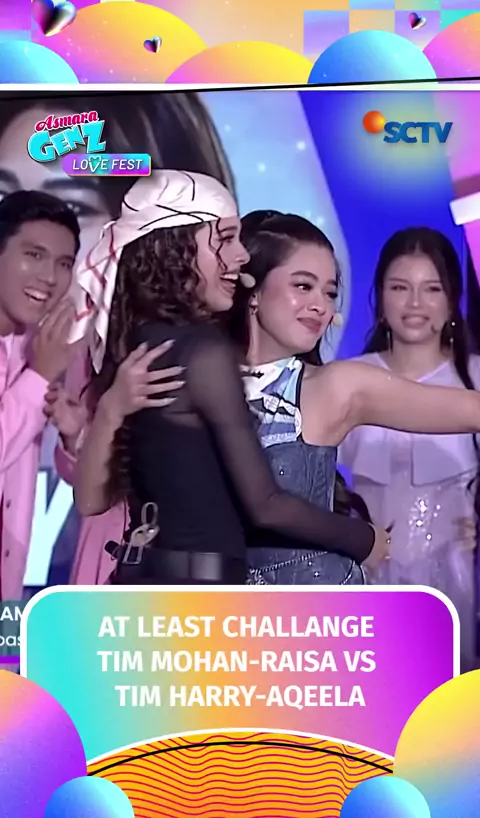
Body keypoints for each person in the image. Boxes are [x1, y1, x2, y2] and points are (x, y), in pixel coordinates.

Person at [70, 171, 387, 585]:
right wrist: (364, 539)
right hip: (200, 596)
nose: (240, 257)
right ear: (177, 245)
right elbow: (265, 505)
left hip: (145, 587)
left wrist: (110, 408)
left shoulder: (137, 345)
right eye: (225, 239)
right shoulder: (204, 353)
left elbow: (90, 500)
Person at [0, 90, 235, 586]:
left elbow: (98, 483)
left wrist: (76, 436)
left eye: (74, 207)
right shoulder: (48, 350)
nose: (48, 272)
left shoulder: (189, 348)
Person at [224, 211, 480, 589]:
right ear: (253, 289)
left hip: (320, 612)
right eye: (303, 286)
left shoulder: (336, 385)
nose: (321, 305)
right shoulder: (199, 374)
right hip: (212, 612)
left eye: (329, 293)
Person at [338, 227, 479, 671]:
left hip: (456, 575)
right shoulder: (347, 379)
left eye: (431, 289)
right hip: (366, 574)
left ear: (452, 298)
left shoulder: (475, 378)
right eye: (400, 288)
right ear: (380, 297)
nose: (415, 303)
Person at [0, 190, 81, 601]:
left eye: (64, 263)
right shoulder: (43, 361)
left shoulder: (39, 347)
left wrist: (73, 437)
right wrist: (39, 377)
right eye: (34, 255)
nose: (49, 277)